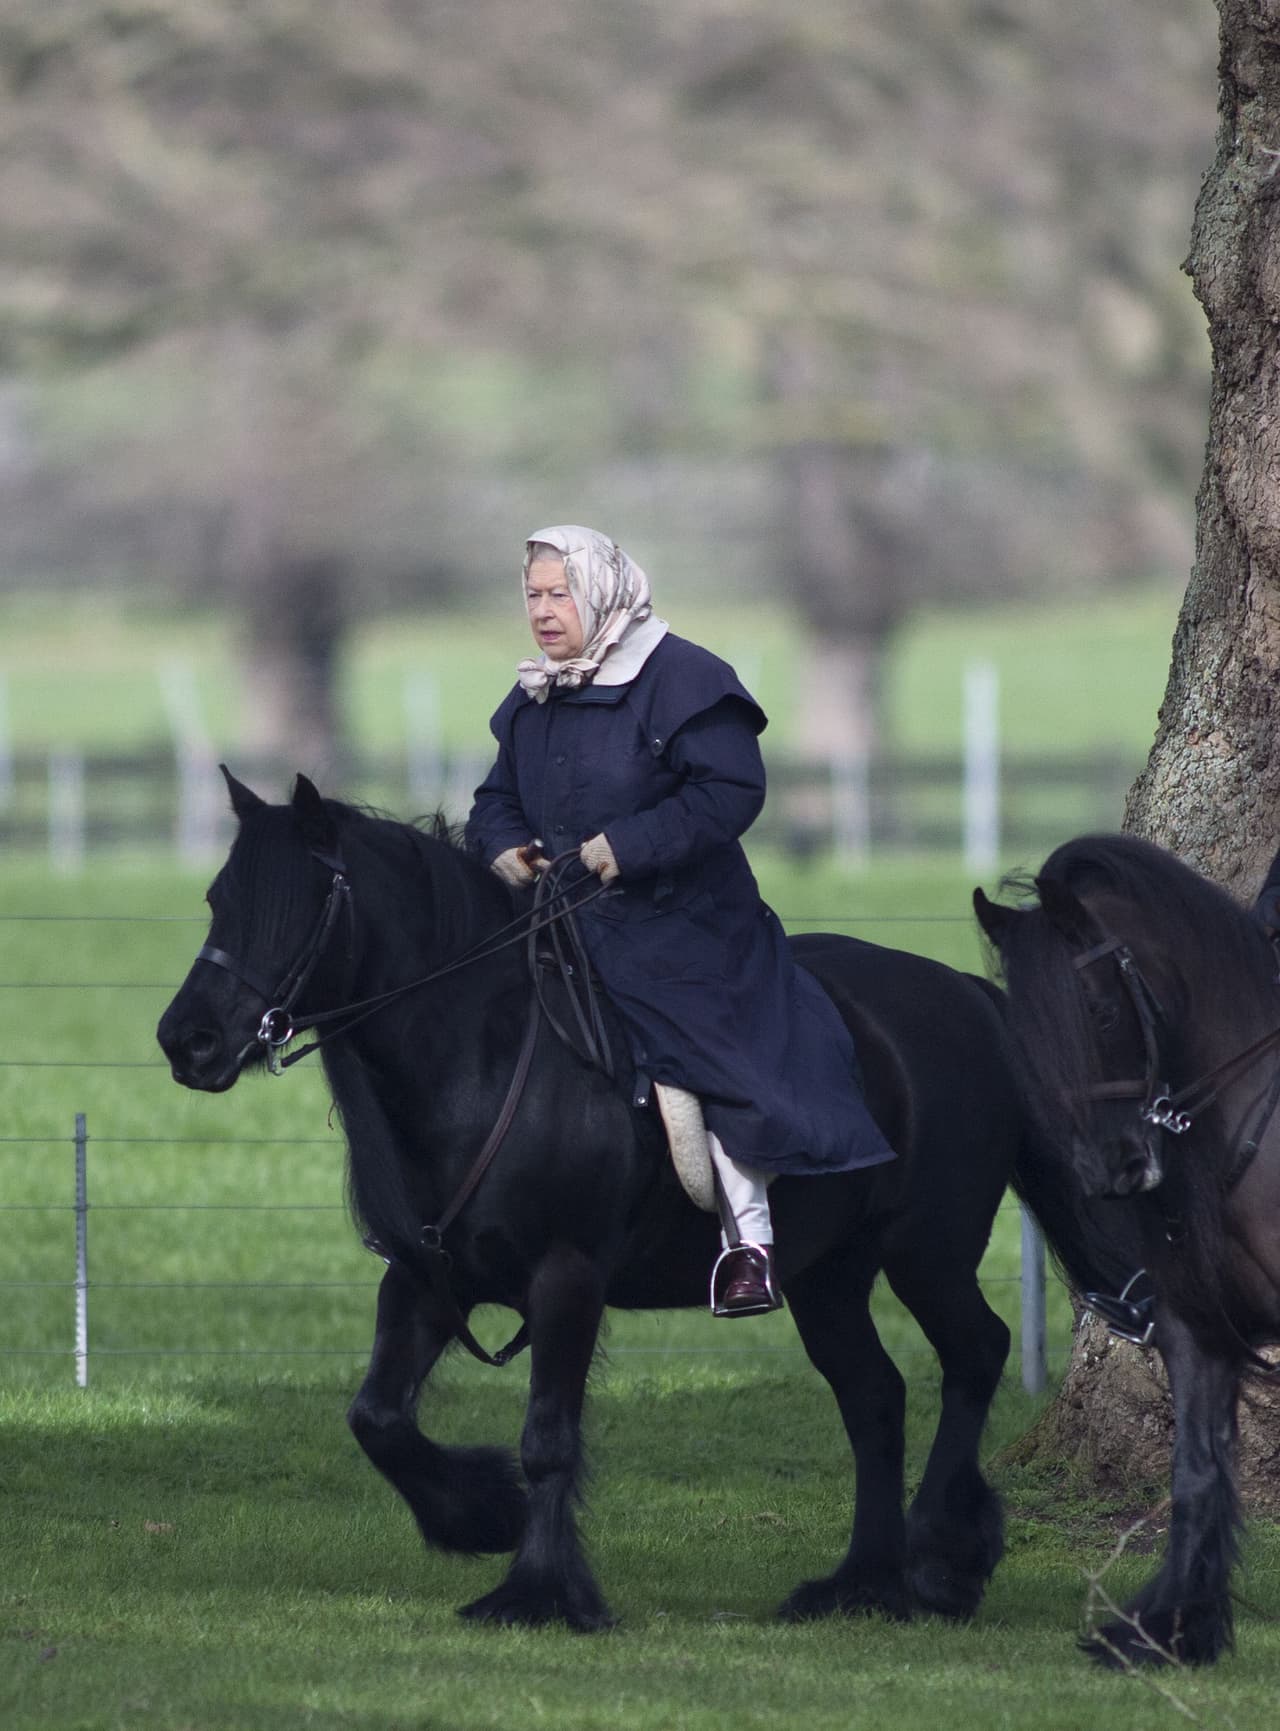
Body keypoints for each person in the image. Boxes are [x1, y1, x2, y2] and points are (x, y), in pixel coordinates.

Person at [465, 525, 895, 1315]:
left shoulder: (684, 678)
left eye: (560, 593)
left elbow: (730, 793)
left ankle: (748, 1242)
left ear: (601, 591)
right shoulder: (536, 695)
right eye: (533, 595)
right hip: (558, 922)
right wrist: (505, 848)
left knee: (696, 1047)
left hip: (682, 925)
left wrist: (625, 847)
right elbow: (495, 799)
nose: (544, 611)